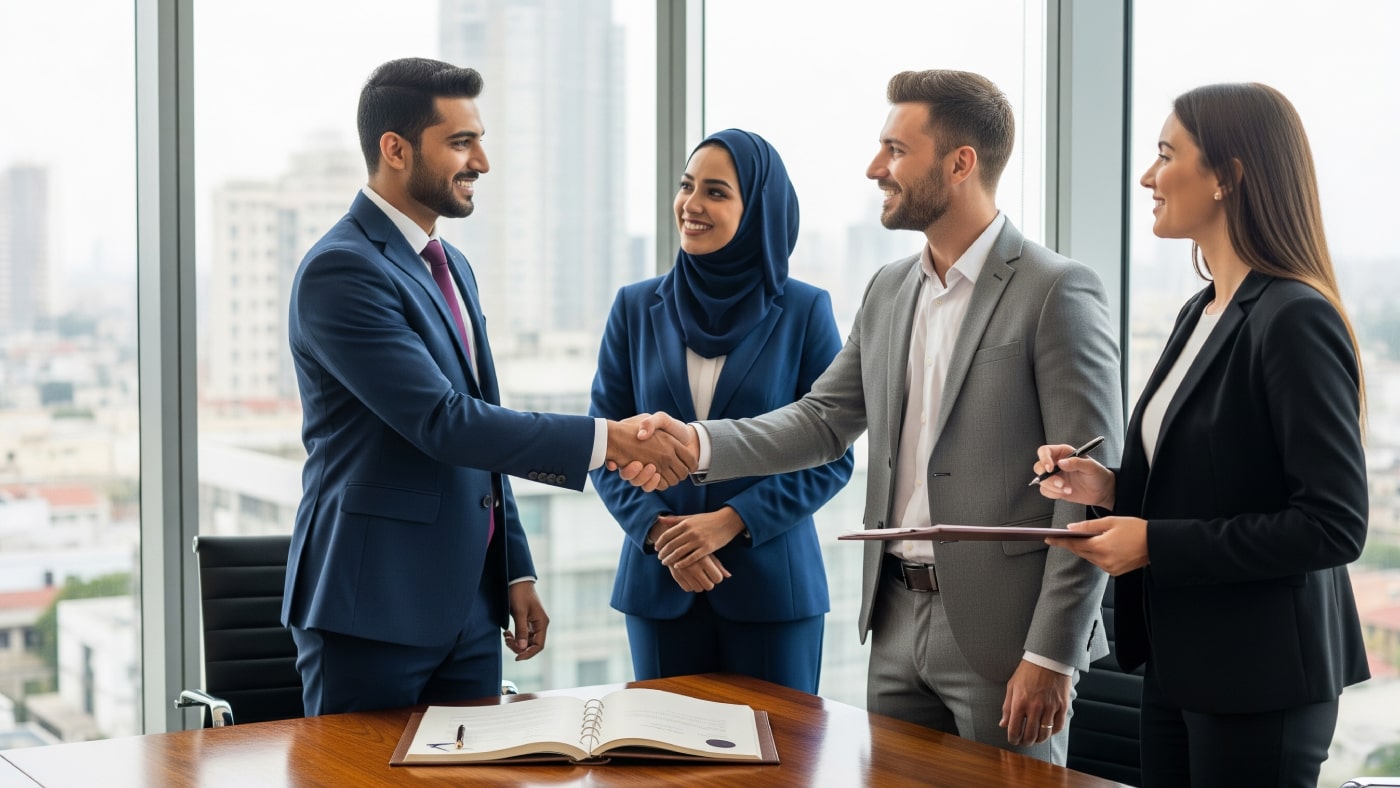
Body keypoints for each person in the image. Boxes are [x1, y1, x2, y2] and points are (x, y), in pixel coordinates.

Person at [626, 70, 1124, 764]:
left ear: (959, 164)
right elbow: (822, 421)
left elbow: (1092, 490)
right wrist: (699, 443)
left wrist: (1053, 651)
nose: (874, 169)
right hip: (892, 621)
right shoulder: (889, 288)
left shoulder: (1057, 290)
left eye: (894, 150)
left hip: (1005, 635)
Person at [282, 57, 692, 716]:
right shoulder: (342, 270)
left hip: (470, 611)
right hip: (372, 607)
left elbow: (483, 427)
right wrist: (608, 441)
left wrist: (514, 569)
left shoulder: (453, 266)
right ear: (395, 148)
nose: (483, 162)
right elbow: (444, 423)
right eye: (461, 142)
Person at [1035, 82, 1369, 786]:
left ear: (1229, 175)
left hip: (1261, 680)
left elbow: (1332, 526)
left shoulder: (1294, 318)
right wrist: (1112, 489)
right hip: (1181, 666)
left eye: (1165, 154)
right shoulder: (1200, 311)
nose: (1147, 177)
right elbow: (1218, 480)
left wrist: (1153, 541)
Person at [588, 129, 854, 694]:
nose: (692, 205)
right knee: (667, 770)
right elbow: (600, 444)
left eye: (716, 192)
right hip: (661, 582)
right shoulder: (635, 307)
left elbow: (830, 455)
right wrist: (662, 534)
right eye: (687, 187)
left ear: (756, 208)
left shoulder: (805, 311)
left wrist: (729, 523)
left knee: (778, 768)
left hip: (771, 588)